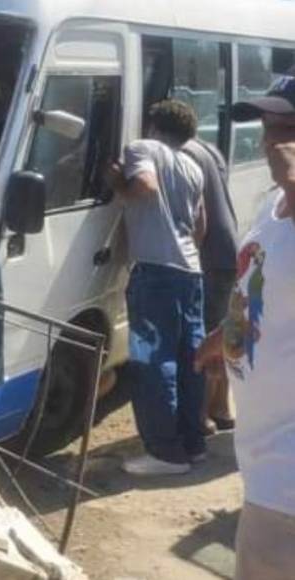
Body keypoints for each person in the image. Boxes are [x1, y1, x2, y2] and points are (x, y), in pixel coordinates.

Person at [195, 69, 295, 580]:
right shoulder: (270, 206)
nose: (271, 139)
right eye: (267, 125)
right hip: (261, 459)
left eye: (287, 127)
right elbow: (257, 280)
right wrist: (225, 335)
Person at [106, 99, 207, 476]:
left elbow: (145, 187)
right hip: (190, 273)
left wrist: (118, 184)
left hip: (154, 272)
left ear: (154, 125)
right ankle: (193, 444)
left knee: (153, 361)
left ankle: (165, 453)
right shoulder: (193, 167)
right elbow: (200, 226)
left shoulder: (142, 148)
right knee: (189, 360)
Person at [181, 137, 239, 433]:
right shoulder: (206, 148)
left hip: (209, 256)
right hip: (228, 248)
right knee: (222, 332)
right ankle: (222, 409)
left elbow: (197, 215)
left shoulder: (181, 154)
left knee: (206, 338)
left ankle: (201, 416)